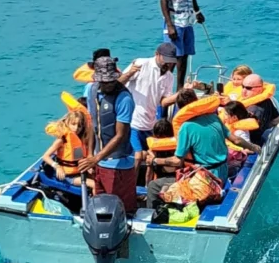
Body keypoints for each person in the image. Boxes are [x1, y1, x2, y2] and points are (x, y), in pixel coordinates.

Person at [146, 88, 258, 187]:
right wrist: (254, 147)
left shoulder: (186, 127)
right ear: (197, 103)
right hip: (223, 171)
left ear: (180, 109)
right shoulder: (214, 117)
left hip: (205, 178)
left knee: (153, 186)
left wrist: (155, 160)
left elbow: (177, 161)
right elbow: (236, 140)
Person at [78, 56, 137, 214]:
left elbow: (121, 136)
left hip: (119, 165)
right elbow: (92, 124)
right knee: (101, 206)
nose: (108, 84)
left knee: (122, 209)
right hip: (99, 163)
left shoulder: (124, 99)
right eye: (104, 81)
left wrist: (96, 159)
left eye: (111, 80)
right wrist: (90, 155)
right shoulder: (92, 91)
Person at [118, 42, 179, 177]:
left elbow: (163, 102)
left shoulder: (169, 77)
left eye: (171, 62)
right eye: (166, 60)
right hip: (133, 121)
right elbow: (118, 83)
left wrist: (180, 95)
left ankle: (148, 186)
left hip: (150, 123)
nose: (168, 64)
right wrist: (129, 73)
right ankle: (130, 186)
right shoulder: (141, 63)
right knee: (138, 156)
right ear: (157, 55)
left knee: (152, 157)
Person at [42, 110, 95, 190]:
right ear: (67, 123)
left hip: (80, 171)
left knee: (99, 179)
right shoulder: (61, 140)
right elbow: (45, 156)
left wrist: (88, 166)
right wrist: (57, 167)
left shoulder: (81, 139)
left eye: (79, 126)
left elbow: (80, 157)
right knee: (94, 184)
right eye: (73, 124)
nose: (76, 128)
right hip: (68, 176)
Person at [145, 118, 179, 208]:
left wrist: (155, 161)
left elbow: (149, 173)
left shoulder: (153, 152)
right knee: (155, 186)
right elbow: (149, 172)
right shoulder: (176, 147)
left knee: (153, 185)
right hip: (167, 180)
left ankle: (151, 213)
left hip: (175, 180)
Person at [241, 73, 279, 145]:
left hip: (250, 142)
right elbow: (277, 119)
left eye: (248, 88)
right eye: (243, 86)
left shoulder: (253, 111)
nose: (243, 91)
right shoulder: (267, 100)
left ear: (259, 89)